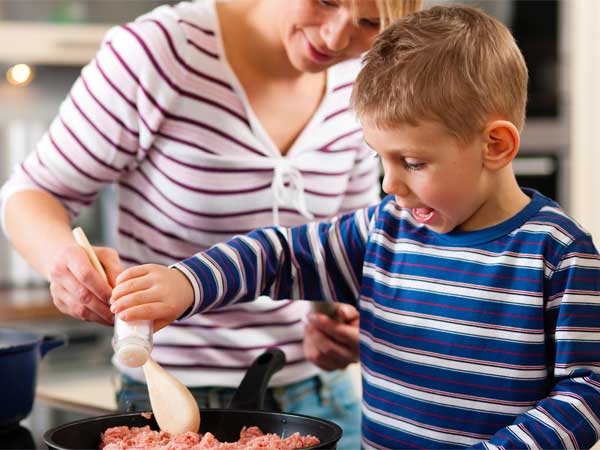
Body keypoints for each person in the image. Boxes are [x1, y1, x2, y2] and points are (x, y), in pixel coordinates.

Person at [108, 4, 600, 449]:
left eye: (412, 162)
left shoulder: (558, 254)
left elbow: (586, 391)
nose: (390, 184)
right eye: (381, 159)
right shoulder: (383, 232)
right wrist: (188, 283)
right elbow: (279, 255)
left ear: (496, 145)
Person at [0, 0, 422, 448]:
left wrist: (338, 321)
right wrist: (62, 260)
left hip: (318, 400)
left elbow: (338, 246)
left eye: (369, 22)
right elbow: (32, 192)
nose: (336, 38)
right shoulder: (161, 52)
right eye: (326, 1)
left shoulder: (363, 78)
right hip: (169, 402)